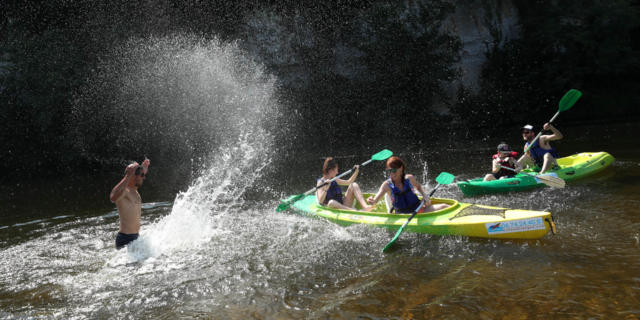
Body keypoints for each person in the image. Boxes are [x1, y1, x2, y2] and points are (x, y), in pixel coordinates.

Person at [366, 156, 450, 213]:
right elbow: (375, 200)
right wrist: (371, 200)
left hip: (418, 209)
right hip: (402, 216)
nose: (392, 173)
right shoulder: (386, 185)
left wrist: (424, 195)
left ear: (401, 168)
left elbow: (418, 187)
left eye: (394, 170)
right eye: (389, 171)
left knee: (445, 206)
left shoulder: (409, 179)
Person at [110, 158, 150, 249]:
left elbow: (138, 175)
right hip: (125, 239)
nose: (144, 177)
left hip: (136, 237)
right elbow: (113, 197)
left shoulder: (134, 191)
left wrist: (143, 168)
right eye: (142, 175)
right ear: (132, 176)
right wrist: (128, 175)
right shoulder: (125, 191)